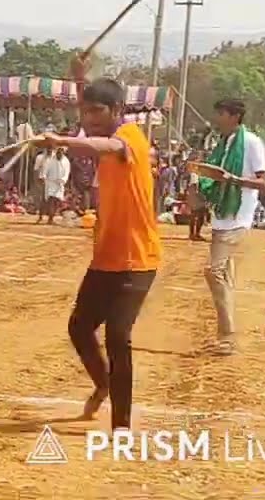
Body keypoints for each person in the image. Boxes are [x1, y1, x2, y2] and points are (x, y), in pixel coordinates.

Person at [45, 56, 159, 431]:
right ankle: (103, 385)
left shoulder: (130, 137)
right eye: (86, 112)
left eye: (98, 111)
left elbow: (104, 146)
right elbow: (93, 126)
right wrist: (81, 81)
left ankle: (121, 425)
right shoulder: (102, 125)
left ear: (117, 111)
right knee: (79, 328)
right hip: (106, 256)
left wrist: (64, 141)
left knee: (117, 337)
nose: (90, 118)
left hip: (136, 260)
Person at [197, 99, 265, 357]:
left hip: (238, 216)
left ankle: (227, 336)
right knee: (223, 275)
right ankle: (225, 336)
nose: (218, 119)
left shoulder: (250, 143)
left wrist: (234, 180)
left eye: (222, 114)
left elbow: (263, 182)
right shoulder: (224, 144)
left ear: (235, 116)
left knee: (213, 272)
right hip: (221, 216)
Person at [37, 146, 70, 225]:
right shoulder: (50, 160)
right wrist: (43, 177)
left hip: (59, 183)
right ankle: (47, 218)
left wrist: (63, 180)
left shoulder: (66, 161)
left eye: (61, 152)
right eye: (58, 152)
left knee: (56, 201)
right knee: (50, 200)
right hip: (50, 182)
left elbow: (67, 172)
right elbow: (45, 169)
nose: (59, 154)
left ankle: (51, 217)